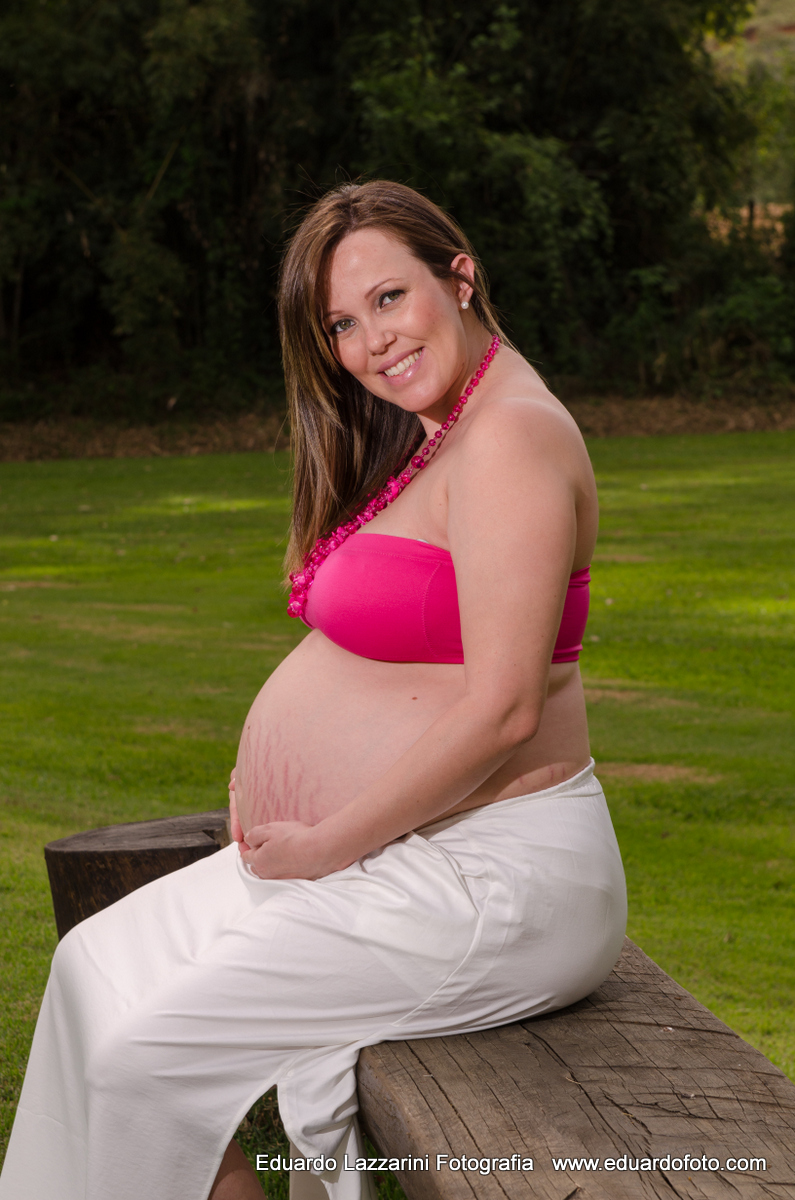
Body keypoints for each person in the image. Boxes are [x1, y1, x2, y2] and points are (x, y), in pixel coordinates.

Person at [0, 181, 627, 1200]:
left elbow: (508, 709)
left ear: (460, 278)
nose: (372, 339)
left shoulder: (512, 435)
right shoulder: (444, 431)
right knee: (89, 975)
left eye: (389, 297)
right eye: (342, 321)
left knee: (138, 1061)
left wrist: (333, 840)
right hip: (415, 849)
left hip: (501, 878)